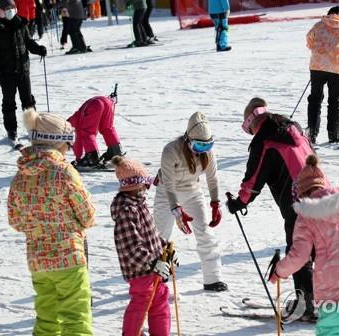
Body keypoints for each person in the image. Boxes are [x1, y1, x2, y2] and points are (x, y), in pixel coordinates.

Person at [270, 154, 339, 336]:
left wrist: (280, 270)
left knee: (330, 329)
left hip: (332, 285)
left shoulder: (306, 216)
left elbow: (300, 255)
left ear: (301, 193)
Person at [226, 97, 317, 321]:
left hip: (297, 204)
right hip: (321, 194)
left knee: (299, 251)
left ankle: (307, 305)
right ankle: (324, 296)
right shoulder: (292, 127)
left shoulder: (265, 140)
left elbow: (253, 180)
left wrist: (239, 202)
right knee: (319, 247)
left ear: (251, 124)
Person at [8, 108, 95, 335]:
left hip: (38, 262)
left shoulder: (20, 176)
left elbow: (15, 221)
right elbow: (87, 215)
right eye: (69, 142)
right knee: (76, 319)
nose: (70, 149)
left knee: (47, 319)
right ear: (57, 143)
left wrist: (37, 225)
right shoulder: (64, 172)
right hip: (69, 259)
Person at [153, 111, 226, 292]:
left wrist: (215, 203)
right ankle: (157, 277)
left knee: (204, 231)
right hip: (167, 193)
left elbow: (212, 179)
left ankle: (213, 278)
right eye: (198, 146)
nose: (202, 150)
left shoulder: (208, 153)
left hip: (192, 191)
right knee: (161, 235)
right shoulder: (171, 150)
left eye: (207, 145)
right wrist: (176, 210)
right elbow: (168, 185)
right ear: (188, 140)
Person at [111, 155, 176, 336]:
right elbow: (132, 248)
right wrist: (154, 263)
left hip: (154, 267)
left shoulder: (140, 205)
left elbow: (152, 235)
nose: (147, 188)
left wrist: (165, 249)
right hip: (140, 270)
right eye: (144, 184)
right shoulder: (127, 211)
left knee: (160, 300)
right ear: (135, 185)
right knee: (142, 302)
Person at [0, 0, 47, 144]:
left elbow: (28, 42)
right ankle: (11, 130)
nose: (11, 11)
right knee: (9, 102)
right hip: (6, 73)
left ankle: (33, 127)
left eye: (12, 8)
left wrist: (39, 49)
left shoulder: (20, 24)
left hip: (23, 69)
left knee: (28, 100)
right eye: (7, 9)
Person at [306, 5, 339, 146]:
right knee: (335, 101)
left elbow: (309, 40)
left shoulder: (319, 24)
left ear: (329, 14)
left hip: (317, 65)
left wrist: (319, 52)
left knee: (315, 99)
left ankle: (312, 134)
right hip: (337, 67)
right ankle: (334, 134)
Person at [67, 93, 123, 169]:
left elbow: (78, 141)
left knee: (87, 132)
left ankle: (93, 159)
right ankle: (116, 152)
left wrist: (78, 159)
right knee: (107, 128)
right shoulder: (76, 117)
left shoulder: (72, 124)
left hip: (95, 105)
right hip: (107, 102)